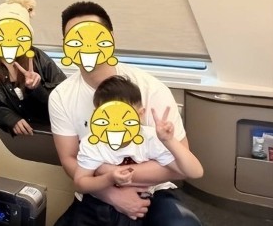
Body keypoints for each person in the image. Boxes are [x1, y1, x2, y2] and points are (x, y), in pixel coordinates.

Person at [49, 0, 202, 225]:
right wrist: (110, 192)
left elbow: (180, 166)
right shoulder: (61, 96)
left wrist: (114, 173)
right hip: (97, 193)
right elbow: (69, 159)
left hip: (153, 190)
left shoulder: (151, 88)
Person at [73, 75, 203, 225]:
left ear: (140, 114)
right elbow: (80, 183)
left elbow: (195, 172)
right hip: (102, 201)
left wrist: (169, 141)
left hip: (151, 196)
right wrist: (109, 178)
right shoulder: (92, 143)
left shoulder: (150, 138)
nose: (116, 125)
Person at [0, 0, 66, 136]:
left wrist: (36, 89)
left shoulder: (37, 56)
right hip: (11, 137)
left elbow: (64, 96)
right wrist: (7, 117)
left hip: (48, 127)